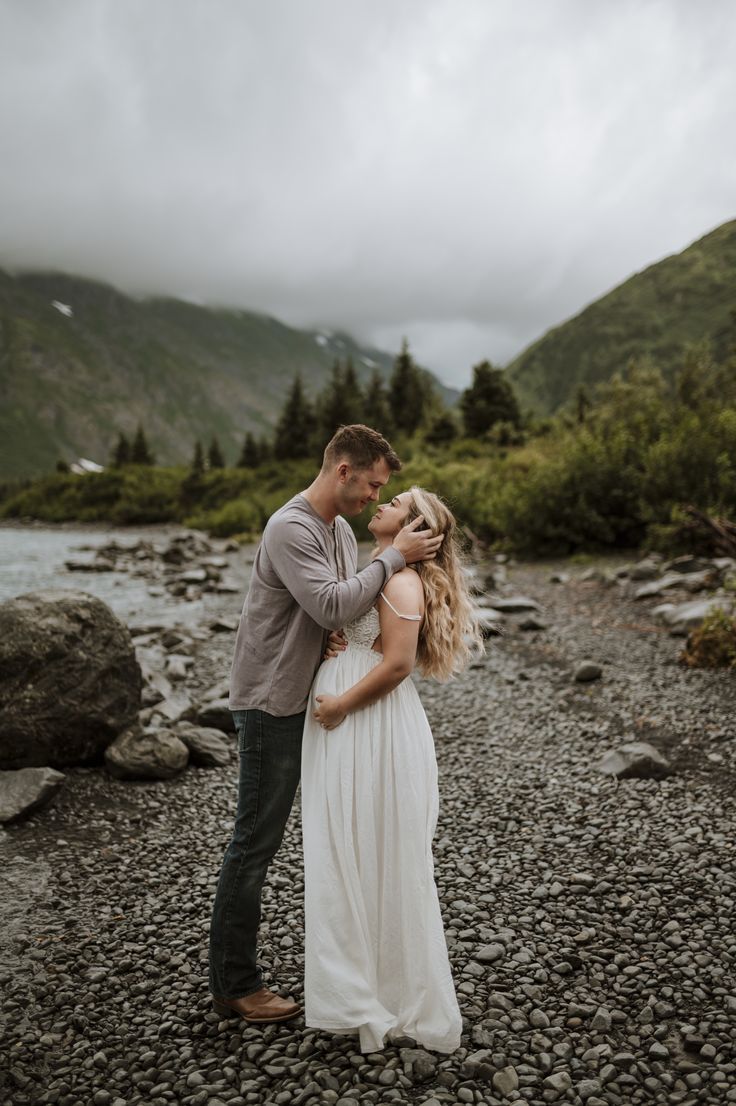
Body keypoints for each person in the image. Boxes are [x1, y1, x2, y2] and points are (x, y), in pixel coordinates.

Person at [208, 425, 444, 1024]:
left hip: (302, 695)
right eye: (371, 485)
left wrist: (337, 633)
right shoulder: (291, 526)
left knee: (278, 838)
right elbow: (334, 603)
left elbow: (339, 605)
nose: (372, 498)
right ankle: (235, 984)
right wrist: (393, 558)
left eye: (382, 491)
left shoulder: (339, 530)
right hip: (270, 701)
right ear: (343, 470)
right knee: (254, 841)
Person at [302, 486, 481, 1053]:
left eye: (396, 500)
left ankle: (387, 995)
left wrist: (339, 704)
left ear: (417, 528)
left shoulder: (401, 579)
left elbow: (399, 662)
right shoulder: (383, 571)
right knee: (352, 851)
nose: (381, 505)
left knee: (370, 851)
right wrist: (342, 637)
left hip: (367, 725)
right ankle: (362, 988)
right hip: (356, 725)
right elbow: (369, 638)